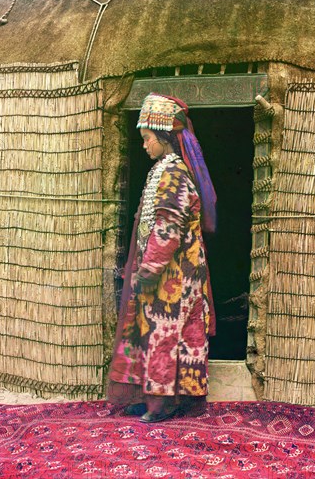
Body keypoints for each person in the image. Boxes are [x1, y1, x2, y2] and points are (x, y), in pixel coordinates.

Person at [107, 93, 217, 423]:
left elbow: (168, 227)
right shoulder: (162, 169)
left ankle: (163, 404)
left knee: (166, 335)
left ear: (164, 136)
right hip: (163, 273)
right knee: (151, 332)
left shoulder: (176, 174)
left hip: (175, 276)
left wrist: (150, 268)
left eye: (147, 139)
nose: (144, 145)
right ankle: (149, 396)